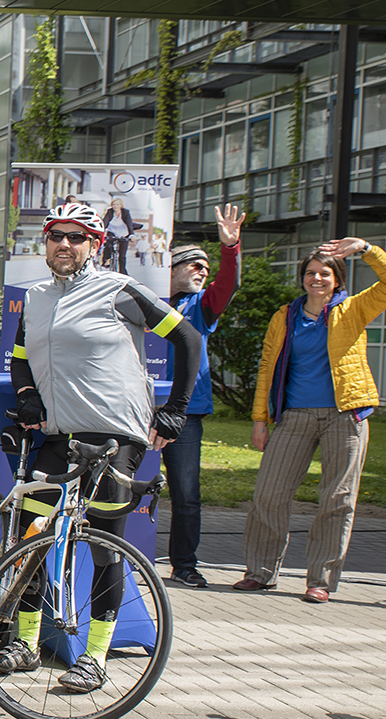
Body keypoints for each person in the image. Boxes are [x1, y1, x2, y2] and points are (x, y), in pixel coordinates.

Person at [0, 202, 201, 692]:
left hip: (115, 436)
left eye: (77, 237)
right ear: (45, 243)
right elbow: (21, 359)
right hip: (58, 436)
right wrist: (26, 396)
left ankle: (95, 656)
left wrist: (176, 409)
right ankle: (24, 645)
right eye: (56, 236)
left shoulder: (120, 290)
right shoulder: (36, 297)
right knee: (30, 538)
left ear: (96, 244)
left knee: (107, 546)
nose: (64, 245)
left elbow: (189, 338)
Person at [239, 235, 386, 603]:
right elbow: (266, 368)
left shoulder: (353, 309)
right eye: (310, 273)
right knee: (269, 493)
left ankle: (320, 580)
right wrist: (260, 419)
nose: (316, 279)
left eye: (324, 274)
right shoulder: (284, 316)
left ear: (337, 279)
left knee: (337, 499)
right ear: (302, 278)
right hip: (295, 415)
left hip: (345, 415)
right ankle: (260, 572)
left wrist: (365, 250)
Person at [162, 205, 244, 589]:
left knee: (186, 493)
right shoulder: (145, 300)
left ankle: (184, 564)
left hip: (184, 414)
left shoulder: (202, 306)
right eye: (194, 265)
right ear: (171, 268)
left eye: (206, 268)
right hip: (133, 407)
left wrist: (230, 249)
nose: (202, 271)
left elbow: (226, 285)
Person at [102, 197, 136, 275]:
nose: (115, 206)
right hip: (112, 231)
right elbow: (105, 222)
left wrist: (131, 234)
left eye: (117, 204)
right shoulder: (110, 211)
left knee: (122, 255)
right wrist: (102, 232)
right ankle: (107, 259)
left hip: (123, 233)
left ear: (120, 205)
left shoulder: (125, 212)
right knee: (107, 244)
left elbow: (129, 223)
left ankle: (123, 273)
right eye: (113, 204)